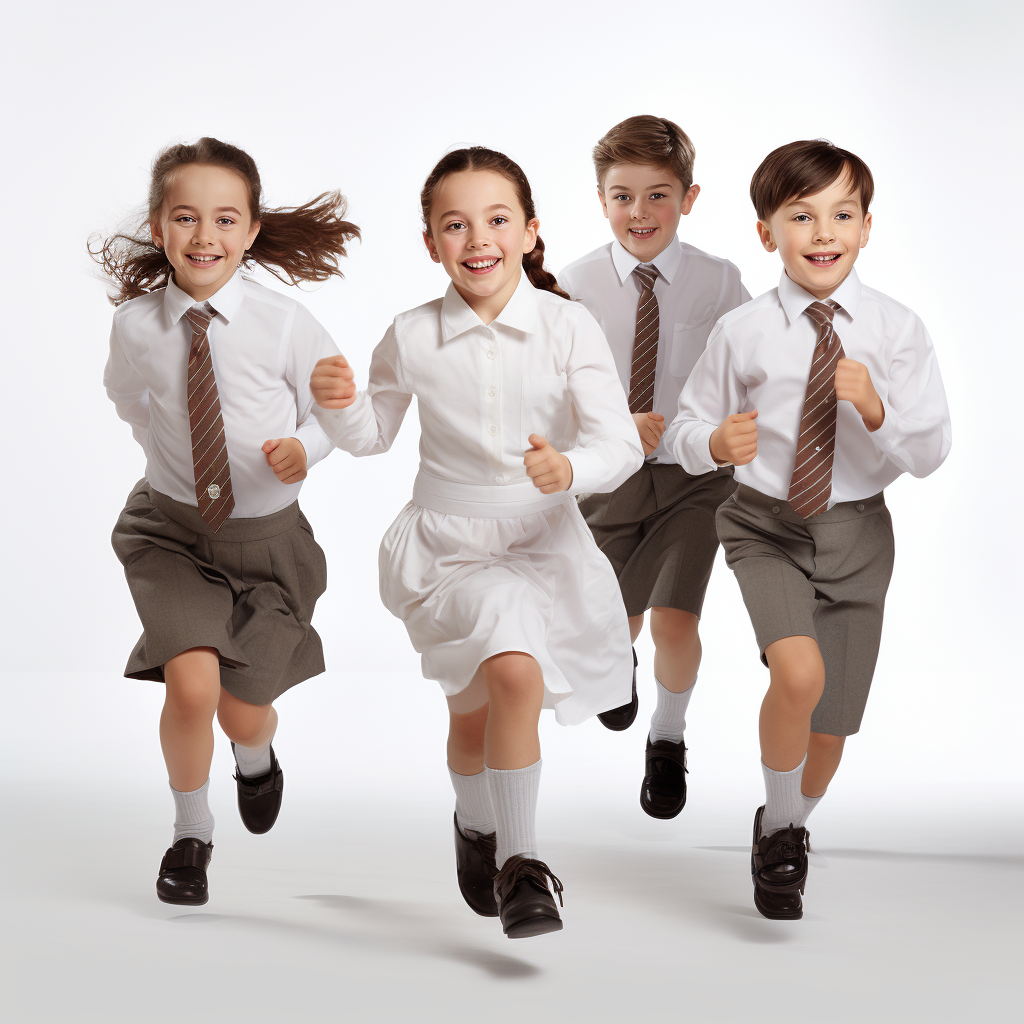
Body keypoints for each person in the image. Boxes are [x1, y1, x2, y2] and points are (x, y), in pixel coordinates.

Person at [310, 147, 642, 938]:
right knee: (475, 708)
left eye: (496, 219)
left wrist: (569, 467)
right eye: (454, 224)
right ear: (431, 242)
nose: (477, 238)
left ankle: (521, 865)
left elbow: (620, 445)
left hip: (540, 542)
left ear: (530, 232)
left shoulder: (568, 325)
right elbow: (373, 434)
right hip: (449, 548)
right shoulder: (412, 334)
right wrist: (337, 406)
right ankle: (475, 820)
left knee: (512, 681)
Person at [664, 139, 951, 919]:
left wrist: (878, 409)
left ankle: (781, 825)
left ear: (865, 229)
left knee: (830, 734)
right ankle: (785, 840)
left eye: (842, 214)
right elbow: (683, 428)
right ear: (768, 233)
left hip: (860, 535)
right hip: (767, 525)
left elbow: (931, 451)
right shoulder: (745, 332)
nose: (823, 232)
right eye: (801, 216)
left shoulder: (896, 329)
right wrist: (713, 444)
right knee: (798, 675)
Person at [97, 137, 358, 905]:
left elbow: (333, 417)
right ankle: (190, 835)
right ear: (158, 227)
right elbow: (130, 401)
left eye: (223, 219)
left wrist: (301, 449)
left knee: (244, 713)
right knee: (192, 684)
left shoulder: (285, 325)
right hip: (170, 533)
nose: (203, 236)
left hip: (268, 548)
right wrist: (174, 461)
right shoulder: (137, 327)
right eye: (185, 217)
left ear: (250, 230)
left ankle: (257, 758)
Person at [559, 115, 749, 819]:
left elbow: (751, 369)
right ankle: (617, 661)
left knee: (674, 618)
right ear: (602, 199)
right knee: (619, 619)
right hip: (610, 480)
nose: (640, 213)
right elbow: (551, 393)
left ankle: (668, 739)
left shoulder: (719, 281)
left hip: (694, 480)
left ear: (688, 198)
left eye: (658, 195)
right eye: (622, 196)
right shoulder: (571, 286)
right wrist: (608, 428)